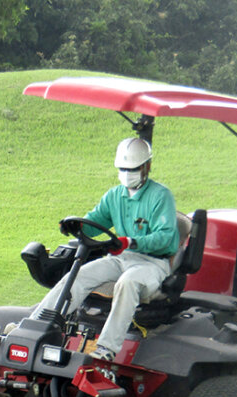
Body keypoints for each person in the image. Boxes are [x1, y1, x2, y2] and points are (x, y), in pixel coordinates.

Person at [31, 137, 179, 361]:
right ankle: (36, 326)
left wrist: (131, 242)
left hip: (152, 264)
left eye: (133, 169)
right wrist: (76, 226)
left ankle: (106, 349)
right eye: (123, 169)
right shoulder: (114, 196)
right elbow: (94, 222)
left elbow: (166, 238)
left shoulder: (160, 196)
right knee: (78, 275)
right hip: (120, 258)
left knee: (128, 282)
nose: (127, 173)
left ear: (147, 166)